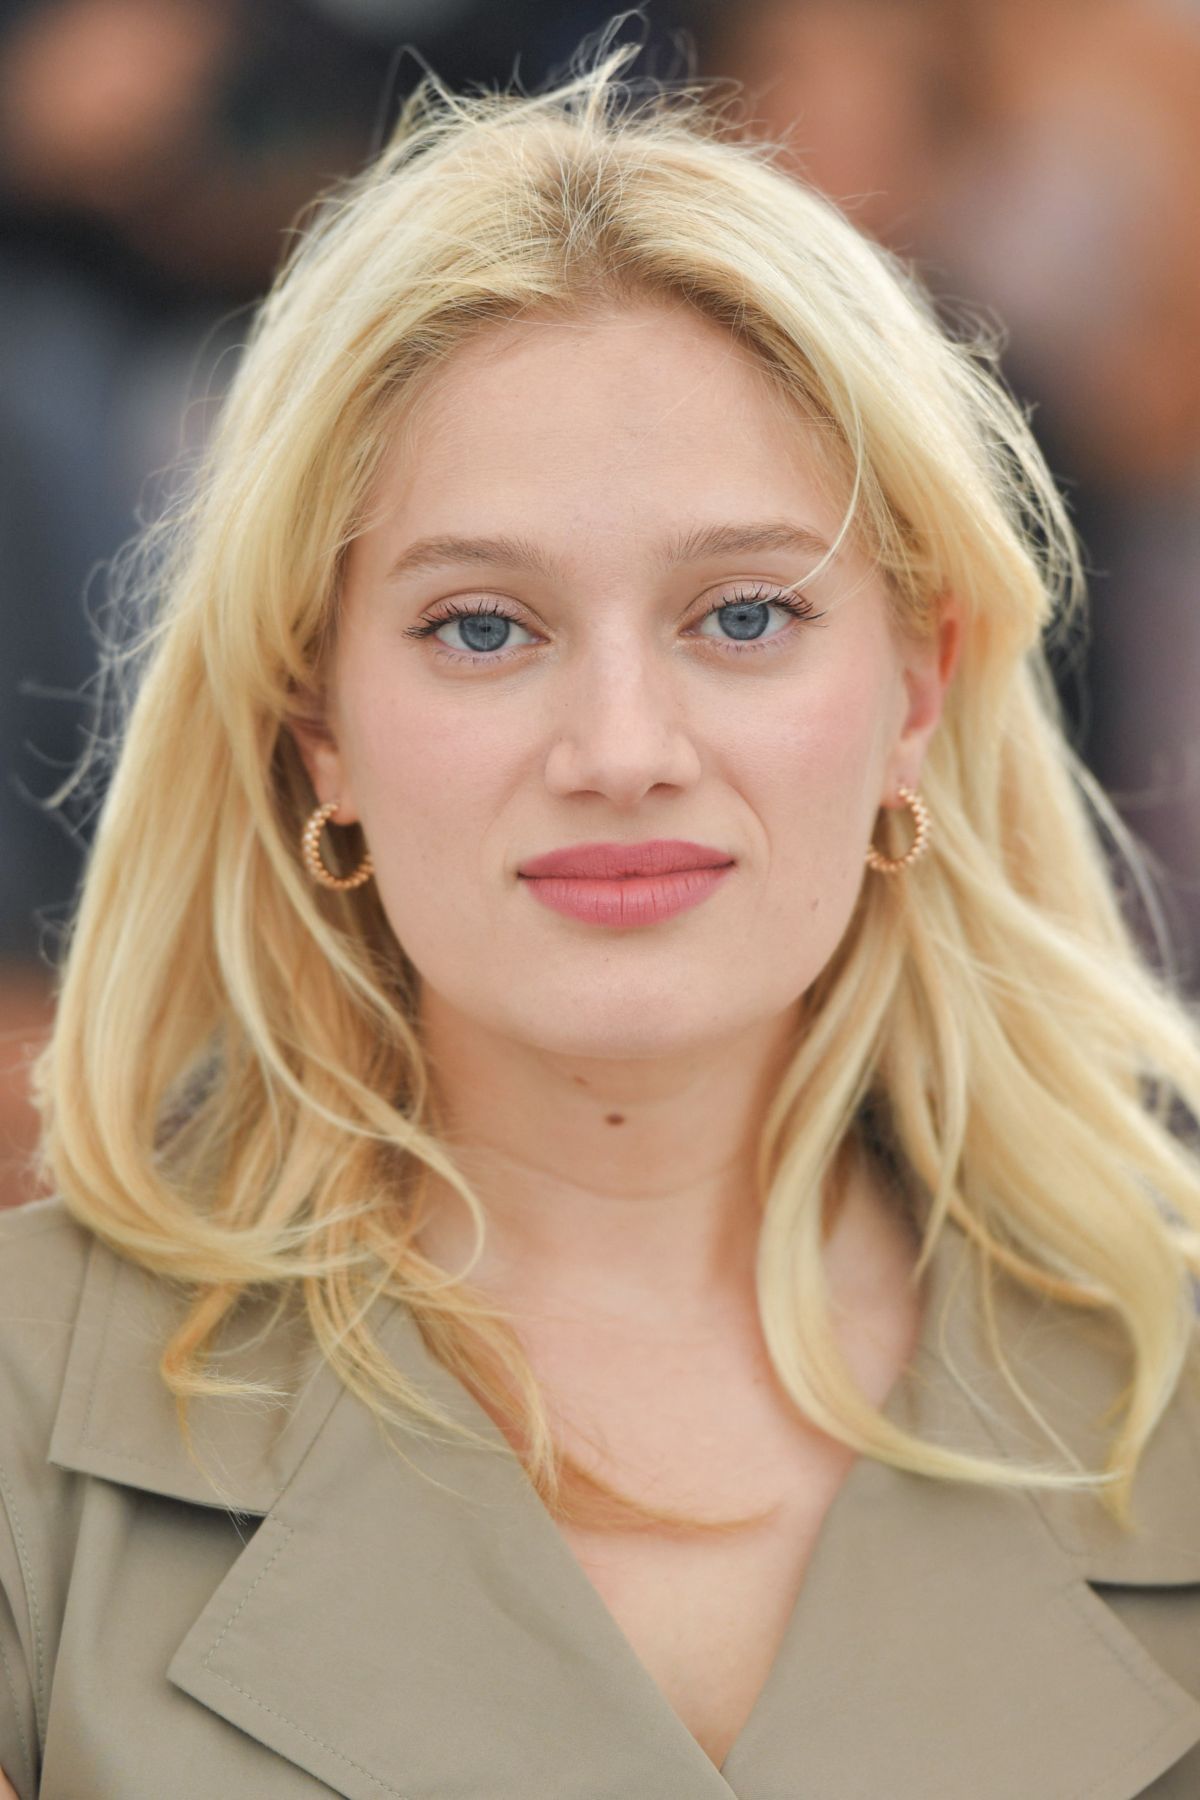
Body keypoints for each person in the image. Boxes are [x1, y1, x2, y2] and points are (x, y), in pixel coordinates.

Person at [3, 34, 1200, 1798]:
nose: (622, 752)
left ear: (917, 691)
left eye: (743, 616)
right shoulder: (27, 1427)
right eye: (483, 628)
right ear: (316, 721)